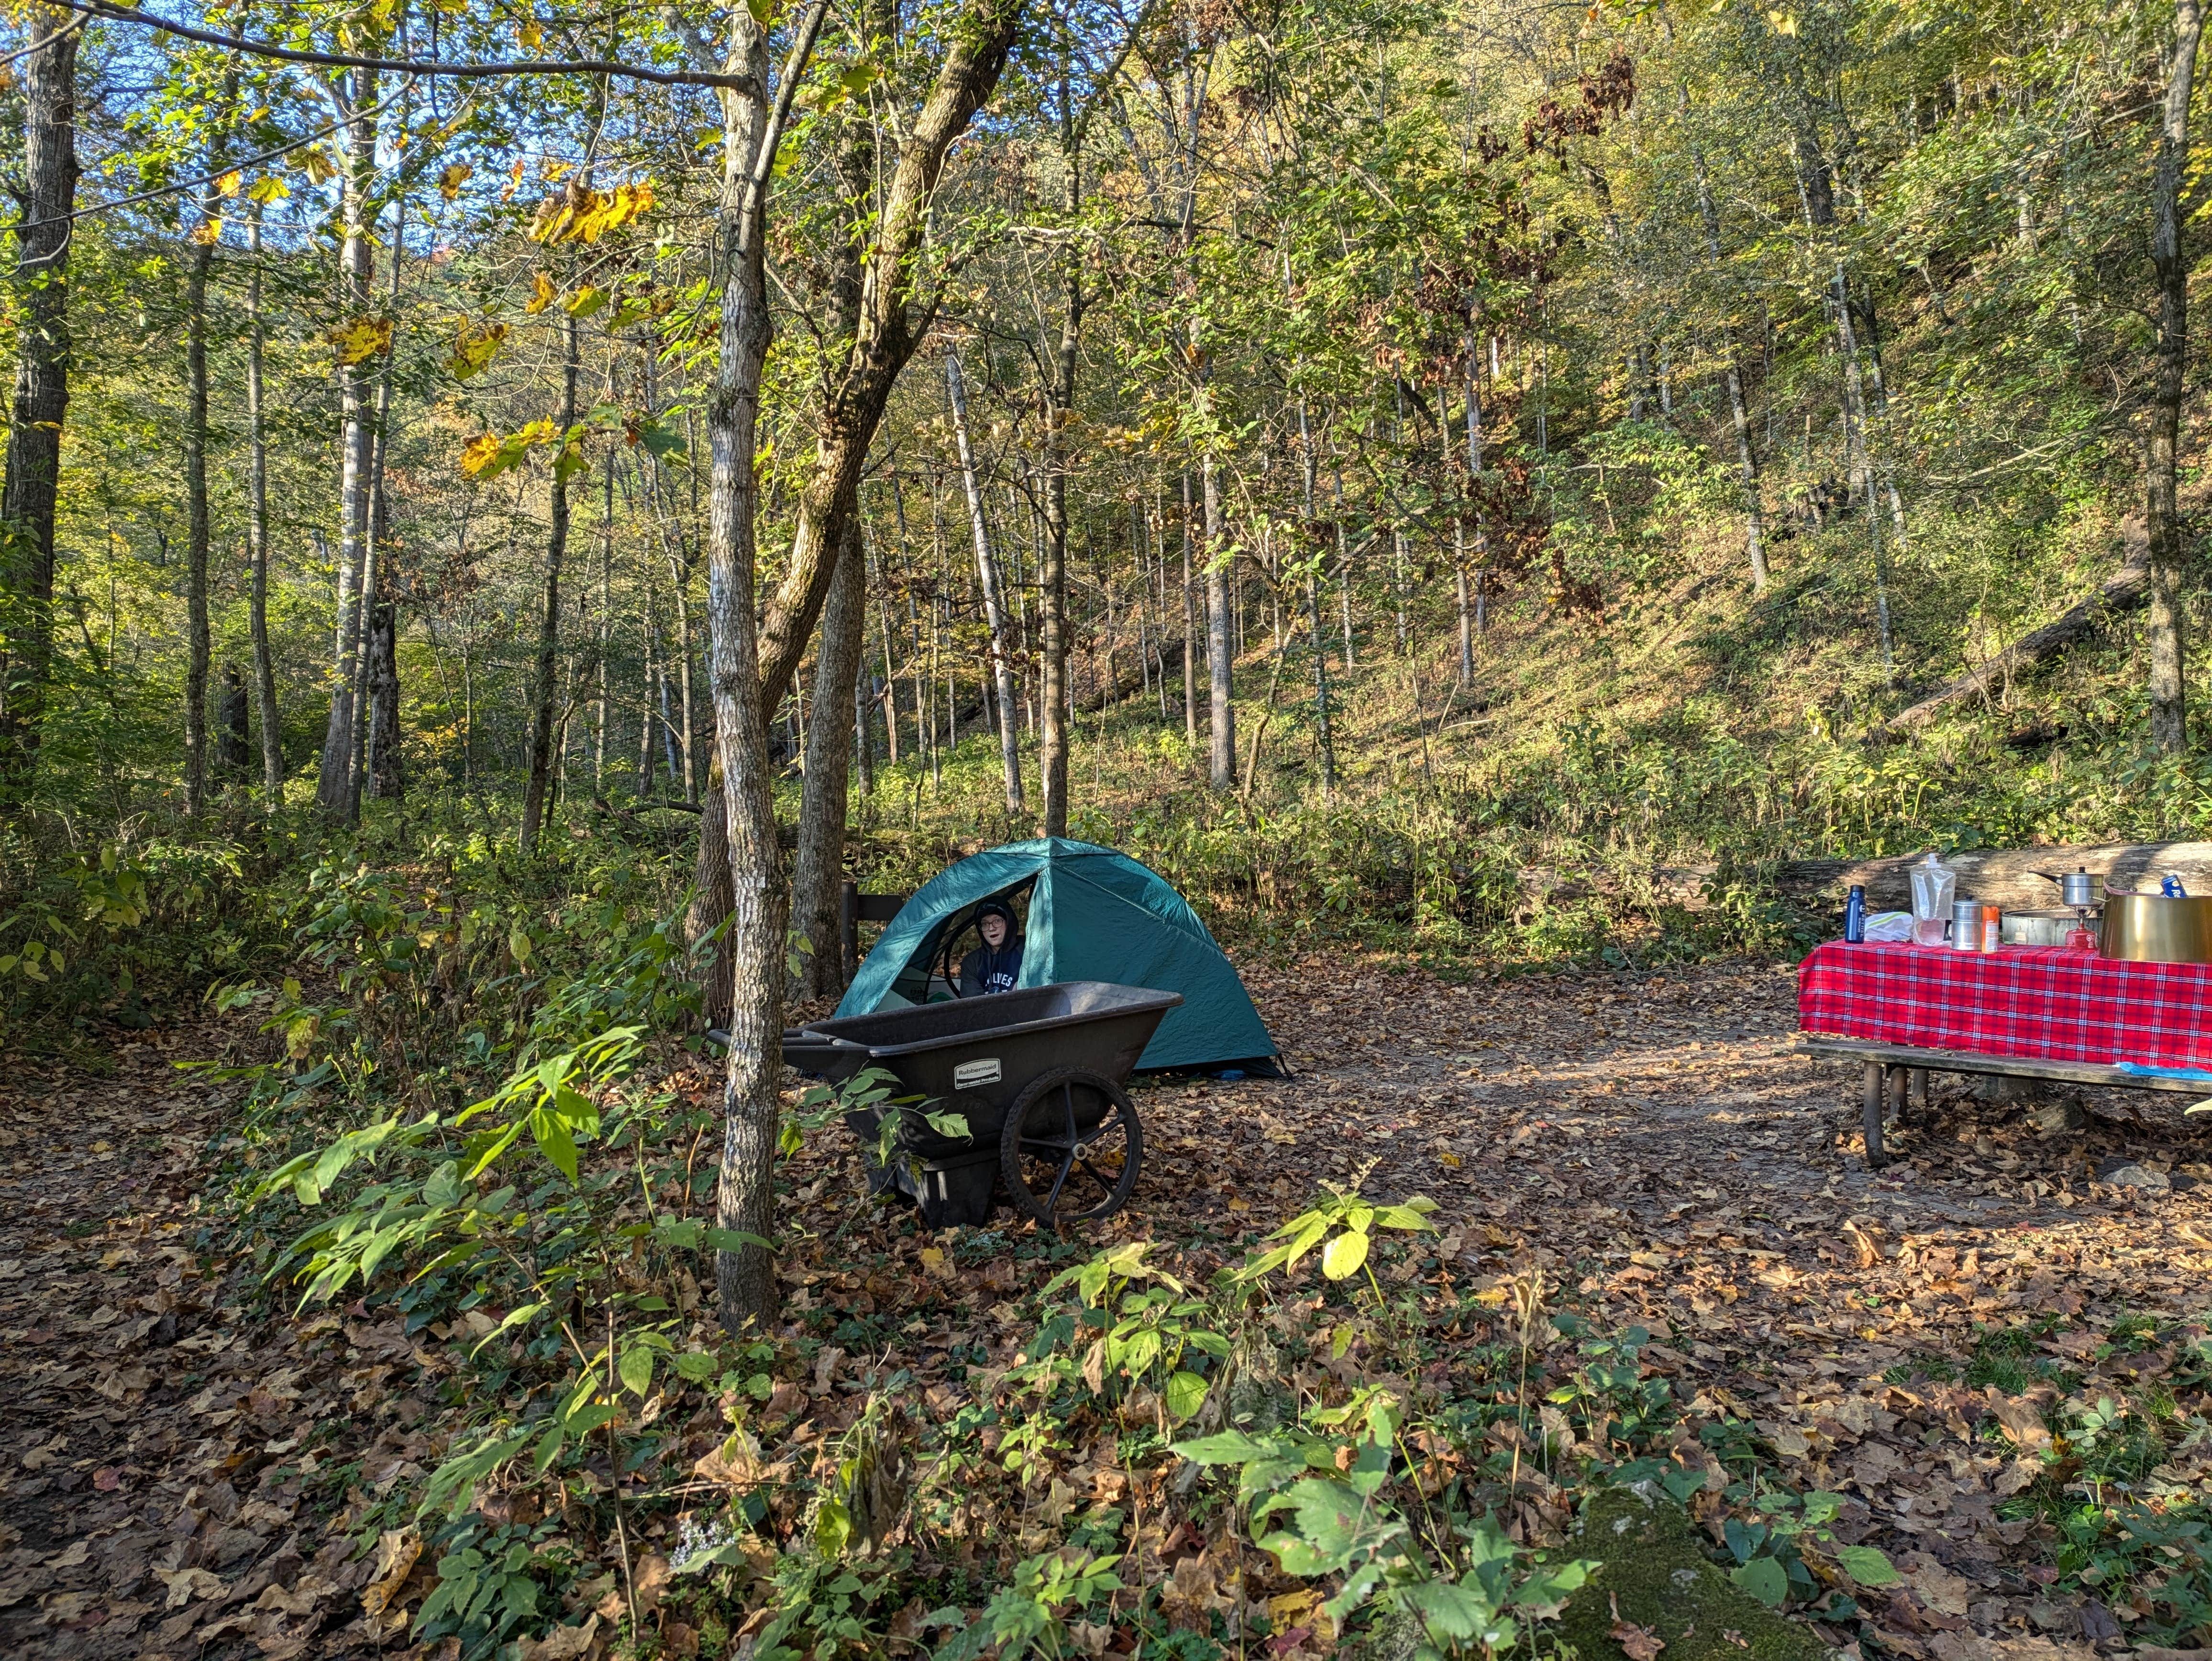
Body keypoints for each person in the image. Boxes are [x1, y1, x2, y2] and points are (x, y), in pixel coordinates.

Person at [959, 899, 1023, 996]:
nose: (991, 928)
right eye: (985, 924)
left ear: (1009, 922)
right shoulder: (972, 962)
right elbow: (973, 1006)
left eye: (997, 921)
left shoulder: (1027, 949)